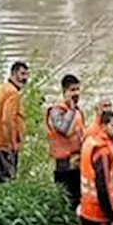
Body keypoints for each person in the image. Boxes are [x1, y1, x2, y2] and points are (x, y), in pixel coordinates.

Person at [46, 74, 86, 209]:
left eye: (77, 89)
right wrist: (72, 109)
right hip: (64, 166)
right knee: (66, 202)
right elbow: (63, 129)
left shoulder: (77, 111)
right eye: (72, 90)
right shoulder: (56, 111)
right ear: (64, 92)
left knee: (79, 200)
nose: (76, 93)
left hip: (78, 163)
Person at [0, 61, 29, 183]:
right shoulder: (12, 93)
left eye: (27, 75)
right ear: (13, 73)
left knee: (1, 182)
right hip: (5, 145)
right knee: (8, 182)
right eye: (22, 74)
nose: (25, 78)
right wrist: (12, 145)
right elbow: (7, 121)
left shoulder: (3, 88)